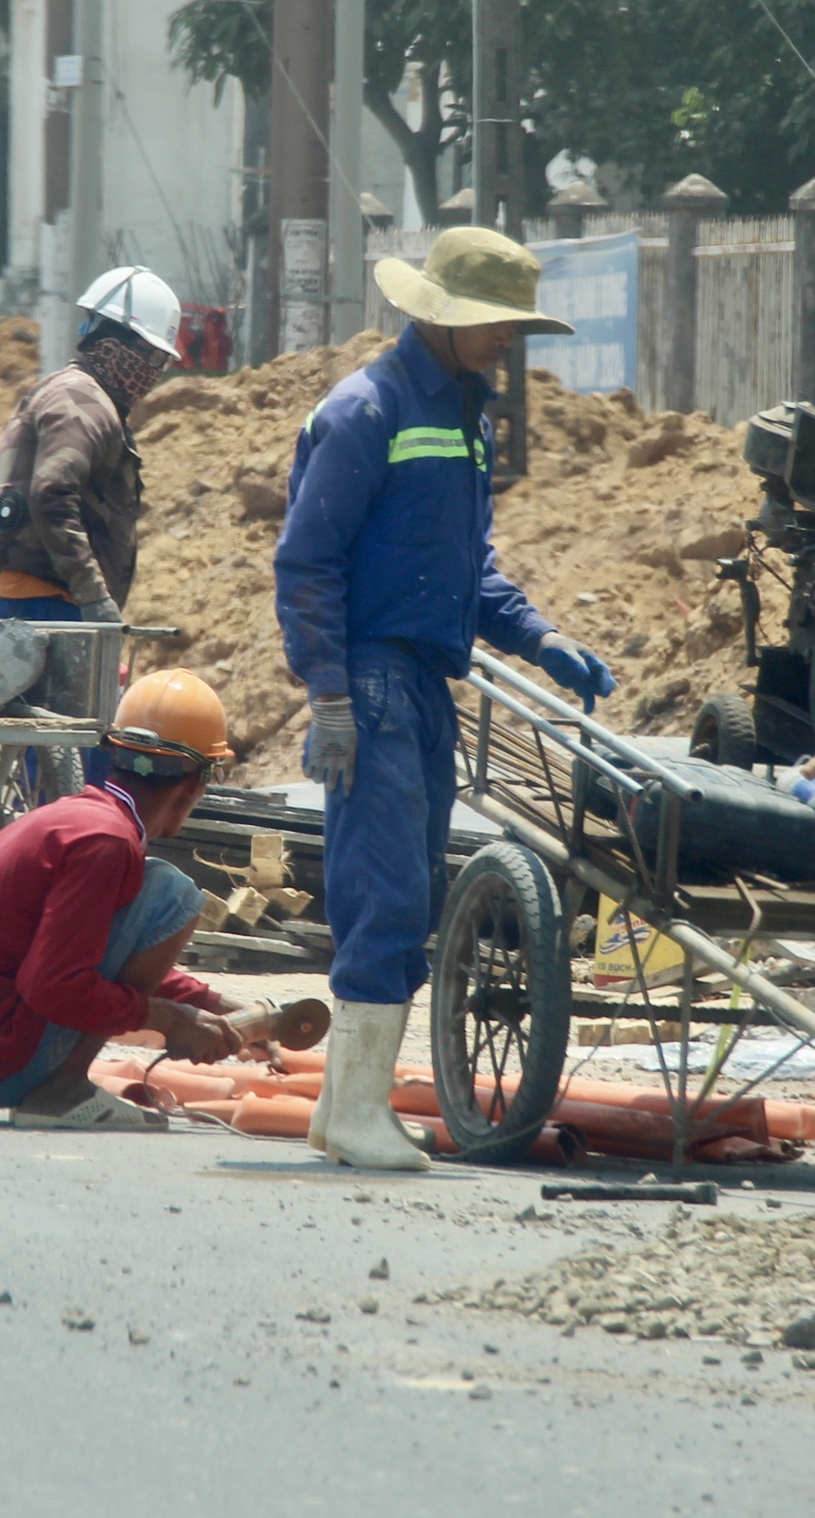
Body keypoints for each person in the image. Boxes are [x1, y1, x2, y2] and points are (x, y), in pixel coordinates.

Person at [274, 228, 616, 1171]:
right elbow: (308, 564)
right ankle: (349, 1112)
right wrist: (330, 697)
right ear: (442, 316)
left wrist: (539, 636)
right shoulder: (365, 411)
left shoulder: (466, 415)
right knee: (382, 890)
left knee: (411, 887)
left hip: (424, 680)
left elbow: (470, 570)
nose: (508, 338)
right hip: (375, 680)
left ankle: (347, 1104)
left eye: (514, 323)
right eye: (495, 321)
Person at [0, 669, 247, 1129]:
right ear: (194, 784)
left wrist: (216, 1007)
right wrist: (169, 1019)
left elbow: (100, 953)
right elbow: (54, 985)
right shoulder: (106, 844)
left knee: (155, 888)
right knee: (174, 894)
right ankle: (61, 1092)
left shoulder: (80, 820)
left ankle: (57, 1084)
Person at [0, 265, 183, 629]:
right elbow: (52, 495)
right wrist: (92, 594)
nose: (156, 373)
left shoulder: (79, 396)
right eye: (155, 359)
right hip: (51, 605)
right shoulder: (80, 401)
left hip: (52, 600)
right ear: (117, 343)